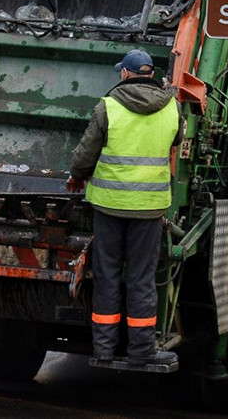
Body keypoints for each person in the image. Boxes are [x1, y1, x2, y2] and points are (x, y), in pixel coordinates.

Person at [67, 49, 184, 366]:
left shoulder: (109, 107)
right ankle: (141, 351)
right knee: (141, 279)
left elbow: (84, 156)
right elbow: (179, 137)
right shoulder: (171, 108)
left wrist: (78, 177)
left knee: (107, 277)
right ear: (150, 75)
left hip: (109, 207)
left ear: (126, 74)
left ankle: (104, 350)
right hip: (148, 208)